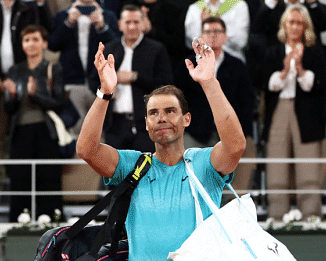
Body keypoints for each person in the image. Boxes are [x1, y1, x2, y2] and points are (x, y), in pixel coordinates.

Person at [76, 36, 245, 261]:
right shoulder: (132, 166)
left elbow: (235, 145)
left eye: (169, 111)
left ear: (185, 119)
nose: (161, 119)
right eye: (153, 113)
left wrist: (209, 83)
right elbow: (86, 148)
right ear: (147, 123)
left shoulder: (203, 165)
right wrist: (105, 93)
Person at [0, 0, 51, 210]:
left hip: (26, 81)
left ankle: (34, 197)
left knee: (28, 135)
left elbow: (45, 34)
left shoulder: (29, 8)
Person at [262, 4, 326, 221]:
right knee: (276, 165)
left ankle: (310, 216)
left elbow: (320, 83)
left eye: (299, 22)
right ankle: (277, 216)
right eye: (291, 22)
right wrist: (284, 71)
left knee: (309, 167)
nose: (294, 27)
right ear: (284, 25)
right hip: (279, 111)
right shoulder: (272, 52)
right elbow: (266, 83)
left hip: (308, 114)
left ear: (306, 26)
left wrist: (300, 68)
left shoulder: (315, 52)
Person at [175, 16, 256, 193]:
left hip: (229, 131)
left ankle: (233, 213)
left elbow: (247, 102)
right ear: (201, 36)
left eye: (217, 31)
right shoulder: (188, 65)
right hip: (195, 131)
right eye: (208, 31)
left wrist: (236, 129)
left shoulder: (237, 65)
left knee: (242, 160)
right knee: (189, 179)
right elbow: (179, 99)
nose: (213, 35)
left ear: (226, 36)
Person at [89, 3, 172, 152]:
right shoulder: (109, 49)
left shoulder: (157, 49)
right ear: (120, 24)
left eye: (136, 22)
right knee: (113, 173)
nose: (132, 27)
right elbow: (93, 81)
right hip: (114, 124)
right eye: (128, 22)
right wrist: (106, 91)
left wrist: (135, 77)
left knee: (146, 172)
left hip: (147, 125)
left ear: (143, 24)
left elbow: (166, 84)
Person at [4, 25, 64, 221]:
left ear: (44, 43)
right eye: (27, 40)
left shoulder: (53, 68)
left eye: (35, 39)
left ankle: (51, 223)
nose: (31, 44)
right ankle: (18, 223)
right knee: (20, 180)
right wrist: (11, 96)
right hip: (20, 132)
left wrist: (34, 95)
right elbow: (9, 109)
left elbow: (58, 103)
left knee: (48, 179)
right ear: (22, 44)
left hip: (46, 132)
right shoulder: (15, 70)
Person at [48, 0, 119, 135]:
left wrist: (102, 26)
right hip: (72, 82)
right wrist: (68, 23)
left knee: (100, 132)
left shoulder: (108, 15)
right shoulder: (62, 15)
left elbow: (117, 44)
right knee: (75, 130)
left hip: (100, 82)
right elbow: (52, 45)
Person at [184, 0, 250, 62]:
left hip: (234, 63)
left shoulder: (239, 6)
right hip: (202, 63)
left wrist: (212, 25)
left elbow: (240, 42)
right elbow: (191, 44)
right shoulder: (194, 8)